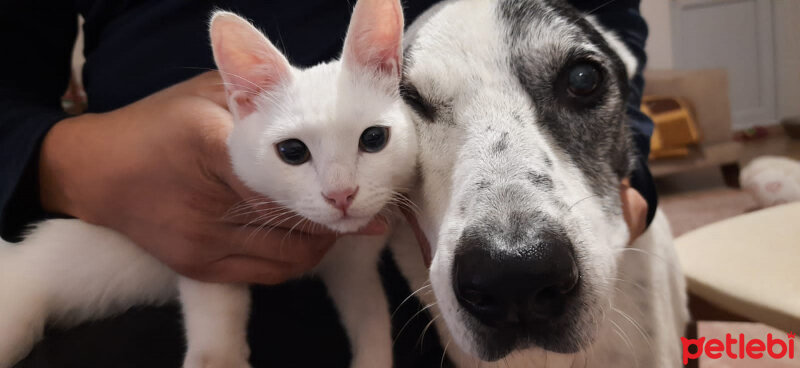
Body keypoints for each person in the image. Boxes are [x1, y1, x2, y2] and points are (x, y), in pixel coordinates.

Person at [0, 0, 655, 365]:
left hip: (460, 301)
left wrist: (622, 189)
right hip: (130, 298)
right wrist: (72, 161)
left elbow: (607, 27)